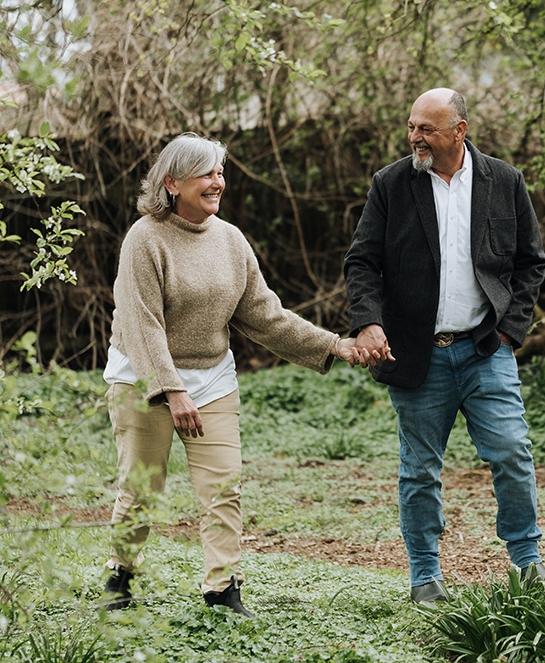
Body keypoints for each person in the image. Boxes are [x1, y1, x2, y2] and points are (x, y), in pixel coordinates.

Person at [99, 132, 364, 617]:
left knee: (223, 487)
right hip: (144, 380)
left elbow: (265, 315)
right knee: (142, 487)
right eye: (207, 173)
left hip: (213, 379)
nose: (218, 182)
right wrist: (173, 391)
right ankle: (121, 573)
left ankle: (223, 589)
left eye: (221, 172)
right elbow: (143, 323)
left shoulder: (230, 240)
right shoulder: (145, 239)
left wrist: (334, 345)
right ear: (172, 182)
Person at [344, 88, 545, 603]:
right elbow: (362, 262)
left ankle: (528, 564)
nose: (415, 137)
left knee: (512, 452)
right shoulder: (391, 184)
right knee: (419, 471)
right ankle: (425, 578)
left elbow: (531, 262)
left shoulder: (504, 180)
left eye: (426, 129)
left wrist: (509, 329)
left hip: (485, 348)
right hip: (416, 355)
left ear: (460, 129)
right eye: (412, 126)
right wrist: (367, 323)